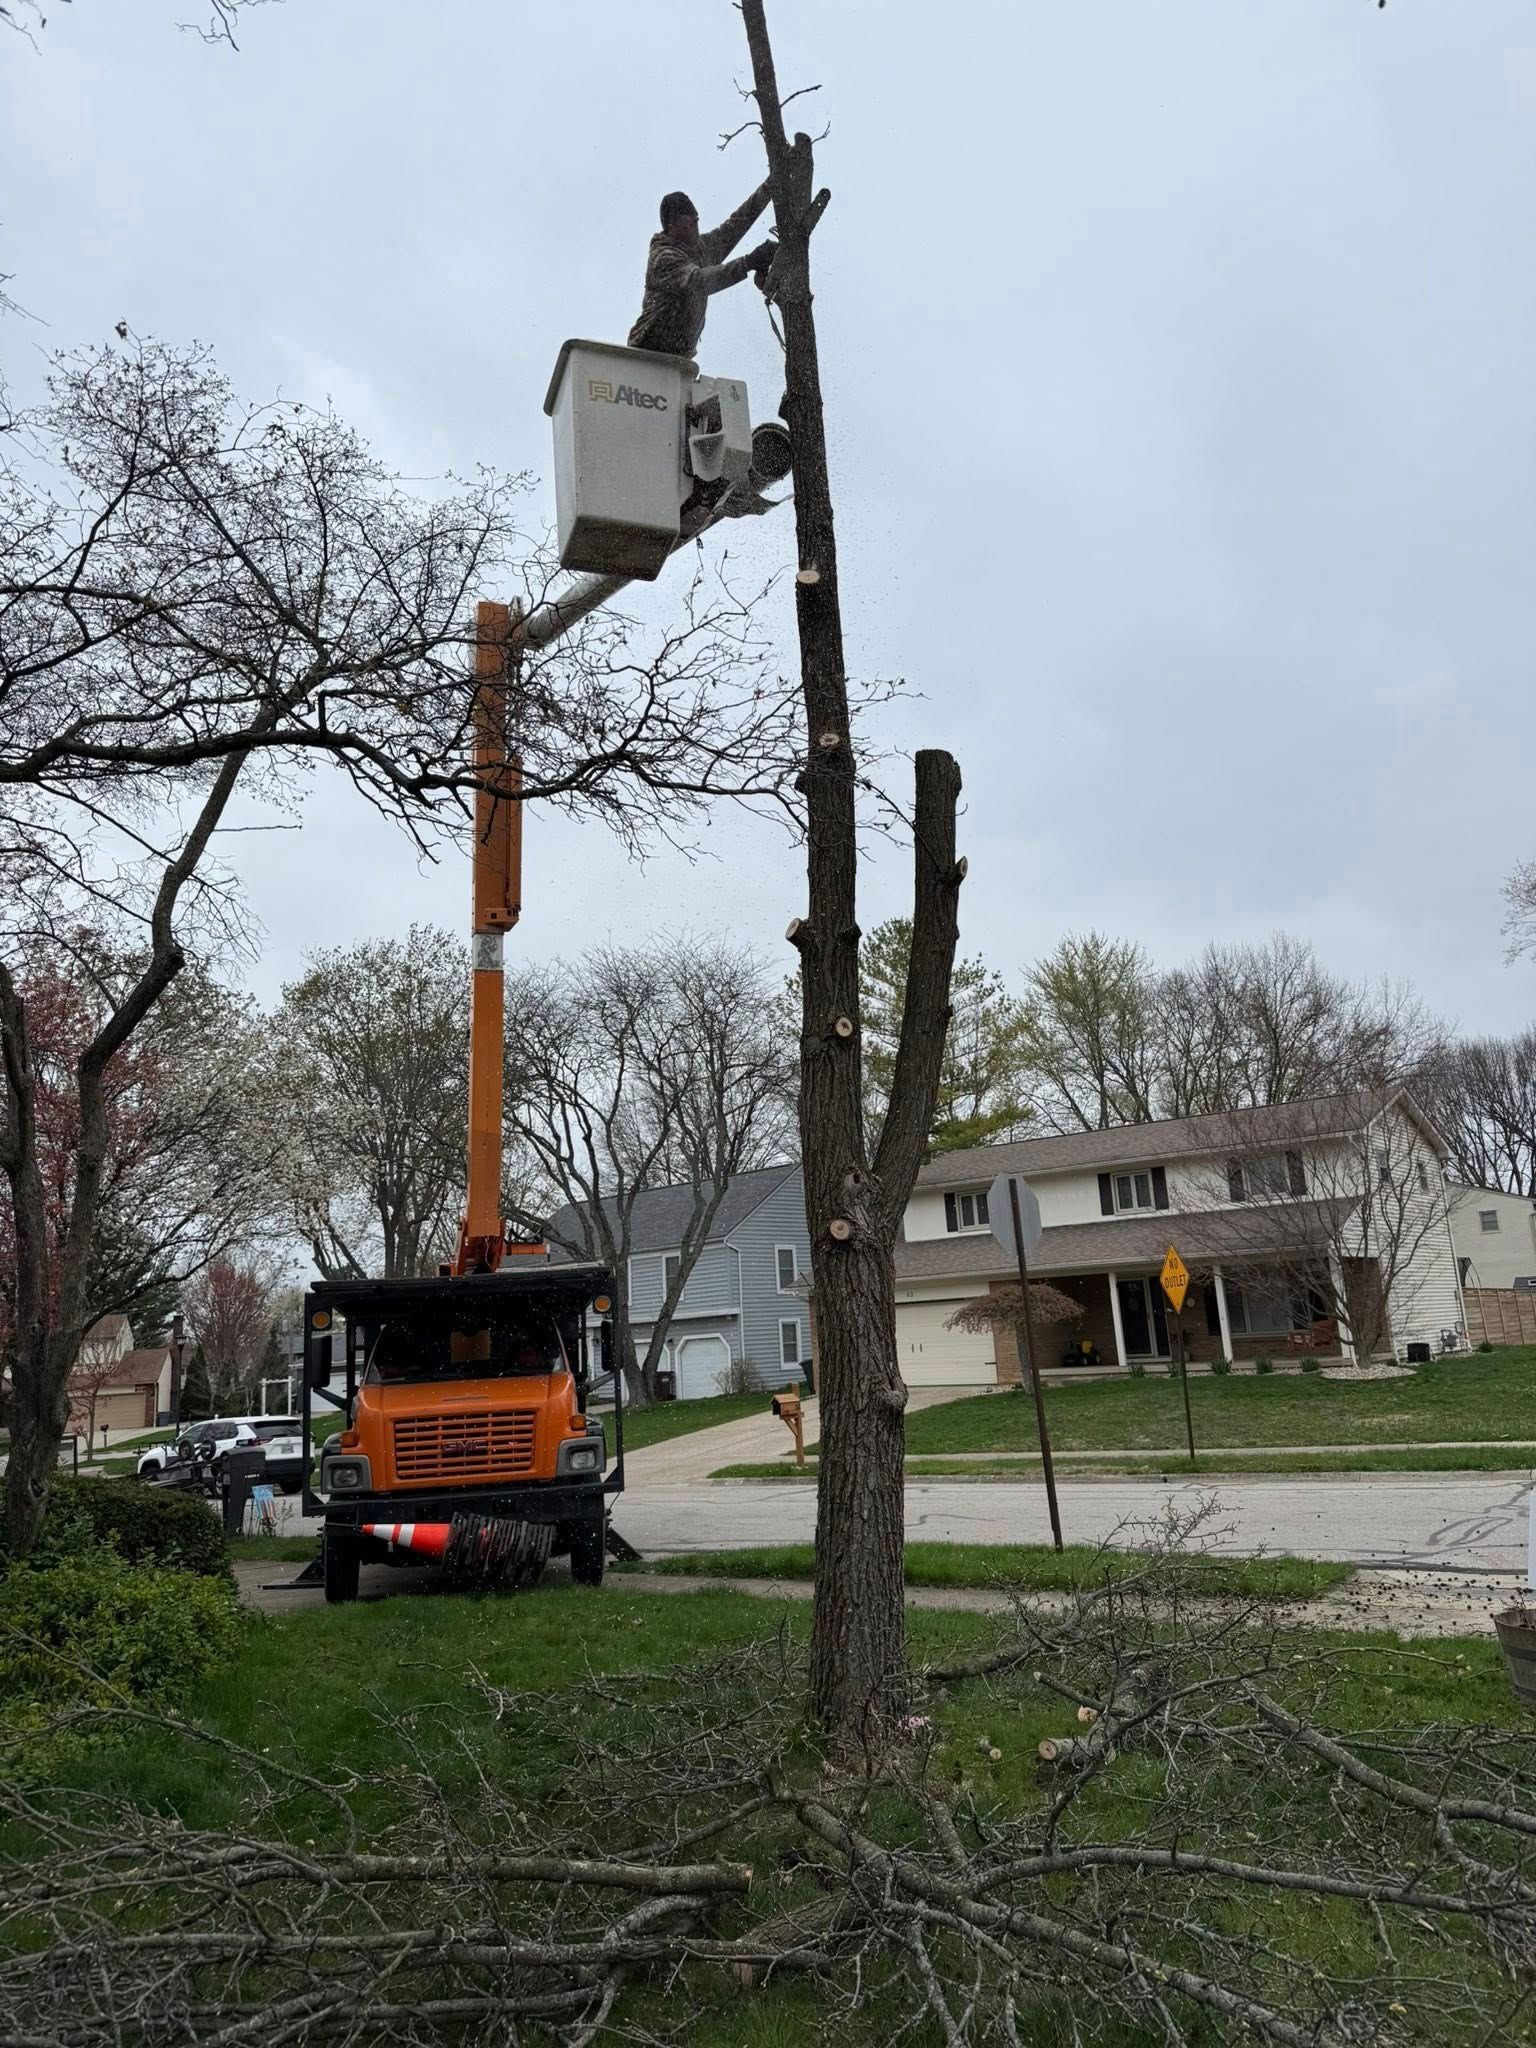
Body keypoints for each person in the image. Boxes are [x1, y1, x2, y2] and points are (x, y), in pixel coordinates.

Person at [628, 185, 777, 358]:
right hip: (646, 354)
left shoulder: (700, 248)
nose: (696, 219)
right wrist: (749, 262)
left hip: (679, 359)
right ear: (672, 224)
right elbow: (698, 282)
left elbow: (736, 224)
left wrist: (770, 185)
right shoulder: (663, 258)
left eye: (695, 215)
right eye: (688, 216)